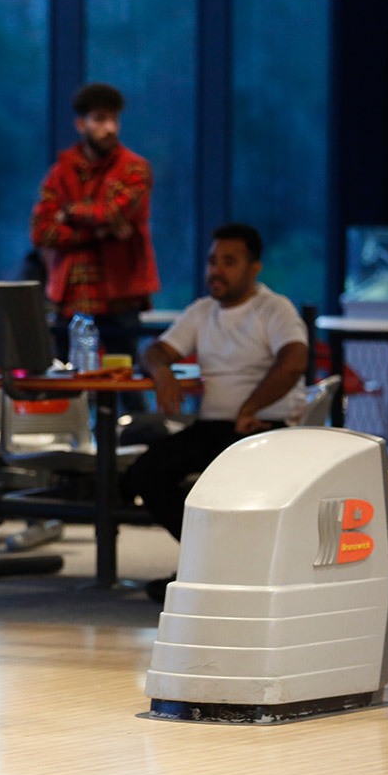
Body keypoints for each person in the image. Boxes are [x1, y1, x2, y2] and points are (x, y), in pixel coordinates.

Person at [122, 223, 308, 602]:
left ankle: (216, 567)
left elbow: (293, 362)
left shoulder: (274, 309)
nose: (216, 270)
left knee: (222, 487)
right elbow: (154, 351)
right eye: (212, 261)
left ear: (254, 268)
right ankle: (211, 564)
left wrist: (250, 407)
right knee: (144, 474)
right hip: (214, 429)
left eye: (229, 262)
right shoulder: (202, 311)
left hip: (264, 428)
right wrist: (162, 372)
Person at [29, 83, 157, 399]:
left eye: (114, 119)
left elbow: (117, 212)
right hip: (71, 294)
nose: (110, 128)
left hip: (119, 294)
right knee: (65, 385)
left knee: (125, 383)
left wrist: (69, 212)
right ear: (81, 123)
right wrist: (98, 231)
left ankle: (134, 431)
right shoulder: (61, 172)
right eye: (100, 119)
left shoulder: (135, 168)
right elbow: (41, 231)